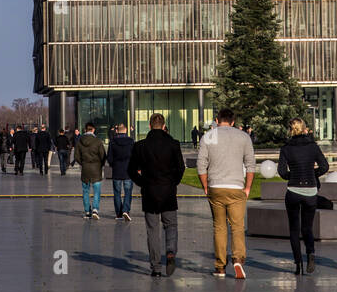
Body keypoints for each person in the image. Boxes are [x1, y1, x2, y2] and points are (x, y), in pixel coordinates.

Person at [196, 107, 256, 278]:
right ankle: (237, 259)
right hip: (236, 187)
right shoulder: (243, 137)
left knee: (219, 227)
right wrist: (248, 188)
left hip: (216, 186)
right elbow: (250, 164)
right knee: (237, 226)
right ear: (233, 121)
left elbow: (201, 165)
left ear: (217, 120)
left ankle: (220, 266)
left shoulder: (208, 137)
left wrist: (205, 186)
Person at [127, 112, 186, 277]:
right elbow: (180, 168)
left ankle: (156, 267)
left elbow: (131, 170)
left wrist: (142, 182)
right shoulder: (173, 144)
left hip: (150, 191)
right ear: (164, 125)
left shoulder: (140, 146)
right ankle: (170, 252)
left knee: (152, 230)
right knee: (171, 225)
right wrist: (173, 182)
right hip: (168, 191)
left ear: (150, 125)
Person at [277, 118, 329, 275]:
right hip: (310, 191)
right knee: (307, 227)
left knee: (294, 229)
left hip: (293, 190)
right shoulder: (312, 146)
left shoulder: (286, 148)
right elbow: (325, 166)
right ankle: (311, 253)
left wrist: (291, 176)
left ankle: (298, 264)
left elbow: (281, 171)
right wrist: (313, 174)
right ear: (305, 129)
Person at [74, 122, 107, 218]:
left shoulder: (80, 141)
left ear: (85, 130)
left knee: (85, 191)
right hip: (96, 168)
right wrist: (100, 164)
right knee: (96, 191)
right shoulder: (97, 141)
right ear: (93, 130)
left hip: (85, 168)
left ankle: (87, 211)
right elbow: (103, 155)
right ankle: (95, 209)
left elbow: (76, 156)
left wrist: (83, 163)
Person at [105, 122, 135, 221]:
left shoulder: (113, 142)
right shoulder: (131, 142)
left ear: (117, 131)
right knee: (128, 192)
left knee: (117, 193)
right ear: (126, 131)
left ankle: (119, 214)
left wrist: (113, 165)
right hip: (128, 170)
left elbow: (109, 157)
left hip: (117, 170)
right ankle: (126, 210)